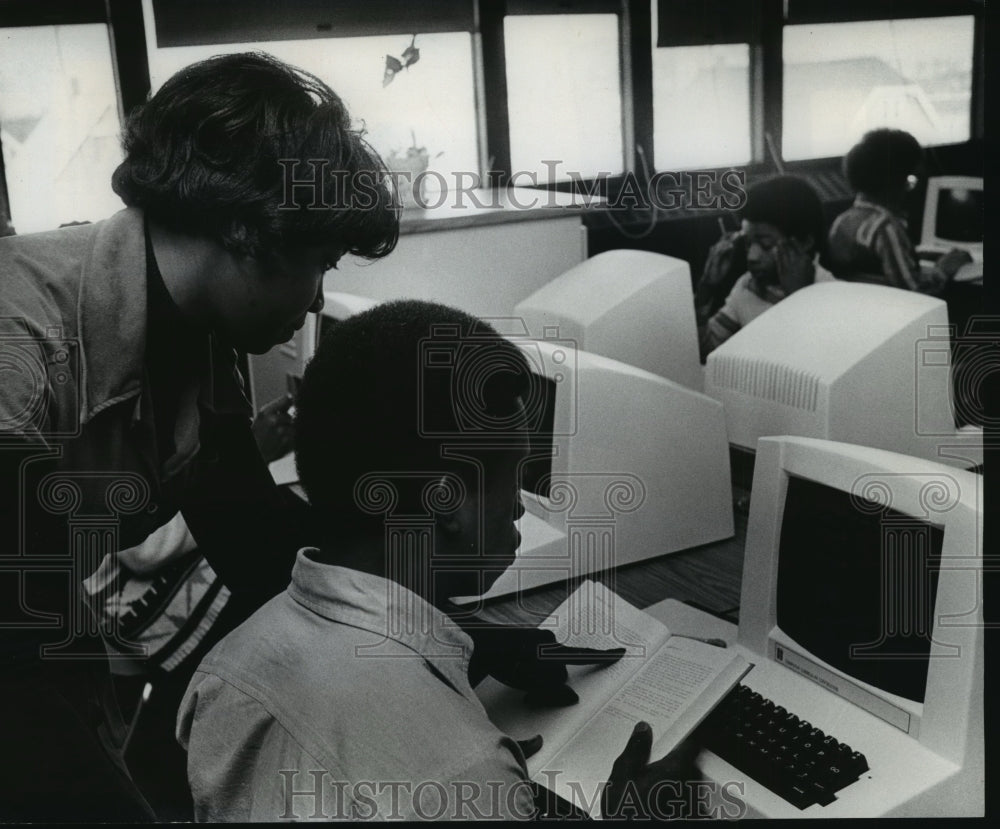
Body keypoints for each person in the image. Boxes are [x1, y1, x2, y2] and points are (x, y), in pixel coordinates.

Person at [0, 52, 397, 822]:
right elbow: (14, 665)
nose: (317, 297)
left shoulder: (198, 330)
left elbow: (250, 536)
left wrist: (445, 631)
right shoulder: (26, 341)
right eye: (318, 262)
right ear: (247, 229)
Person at [178, 300, 702, 821]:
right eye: (510, 476)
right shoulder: (468, 772)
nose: (517, 504)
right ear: (446, 502)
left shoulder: (225, 668)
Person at [700, 175, 834, 359]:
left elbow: (817, 361)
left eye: (766, 245)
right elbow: (706, 349)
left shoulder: (831, 292)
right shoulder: (748, 286)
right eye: (747, 243)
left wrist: (798, 297)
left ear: (804, 242)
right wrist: (706, 288)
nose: (752, 256)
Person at [825, 128, 972, 293]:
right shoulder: (885, 227)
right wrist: (943, 269)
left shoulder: (841, 221)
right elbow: (914, 290)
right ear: (892, 182)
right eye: (910, 180)